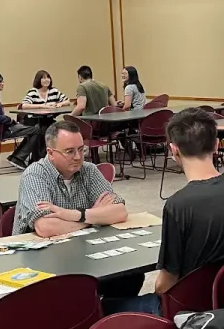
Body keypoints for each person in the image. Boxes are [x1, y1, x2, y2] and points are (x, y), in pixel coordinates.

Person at [109, 108, 224, 314]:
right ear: (216, 145)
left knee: (104, 306)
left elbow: (165, 283)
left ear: (174, 150)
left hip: (186, 309)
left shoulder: (178, 205)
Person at [13, 120, 142, 301]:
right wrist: (92, 217)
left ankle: (101, 319)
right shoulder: (35, 175)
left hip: (83, 252)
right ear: (50, 153)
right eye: (70, 151)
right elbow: (45, 227)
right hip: (42, 263)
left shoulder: (89, 170)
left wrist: (76, 215)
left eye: (81, 149)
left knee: (130, 275)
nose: (78, 157)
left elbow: (120, 211)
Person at [0, 72, 42, 170]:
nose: (2, 83)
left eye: (2, 81)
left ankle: (18, 156)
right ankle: (18, 158)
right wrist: (9, 120)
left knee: (31, 128)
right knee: (37, 130)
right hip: (3, 131)